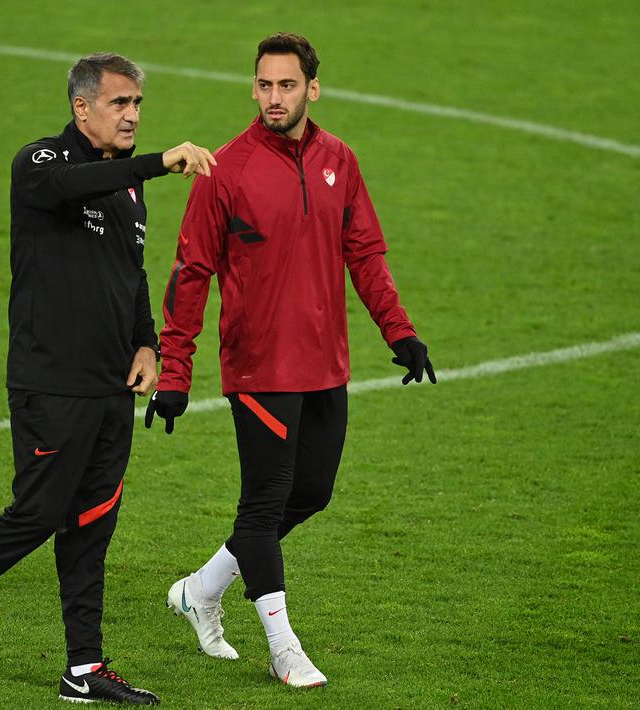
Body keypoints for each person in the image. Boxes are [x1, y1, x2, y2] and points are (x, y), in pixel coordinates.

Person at [0, 52, 215, 705]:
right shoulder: (41, 162)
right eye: (119, 104)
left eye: (137, 104)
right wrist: (159, 161)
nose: (132, 114)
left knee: (92, 523)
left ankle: (83, 668)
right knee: (39, 511)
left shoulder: (129, 190)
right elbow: (67, 189)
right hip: (50, 379)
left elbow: (129, 273)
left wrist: (145, 344)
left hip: (110, 384)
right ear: (82, 108)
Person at [144, 33, 435, 688]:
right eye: (264, 85)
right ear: (253, 88)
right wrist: (175, 370)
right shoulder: (227, 170)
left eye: (286, 85)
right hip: (258, 367)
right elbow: (190, 273)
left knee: (312, 493)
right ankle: (282, 647)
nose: (273, 97)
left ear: (312, 89)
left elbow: (364, 254)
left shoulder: (340, 161)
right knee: (265, 500)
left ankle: (200, 589)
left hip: (325, 362)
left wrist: (399, 332)